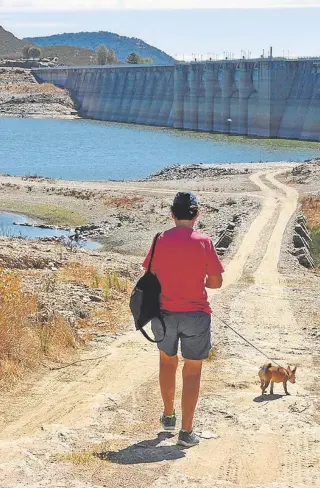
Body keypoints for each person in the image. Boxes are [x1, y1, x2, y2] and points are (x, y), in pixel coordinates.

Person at [142, 191, 224, 447]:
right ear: (196, 215)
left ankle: (168, 416)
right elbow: (216, 282)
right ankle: (186, 432)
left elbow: (150, 272)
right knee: (192, 370)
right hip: (196, 315)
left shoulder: (159, 240)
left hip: (164, 313)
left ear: (172, 215)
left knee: (167, 363)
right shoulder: (204, 241)